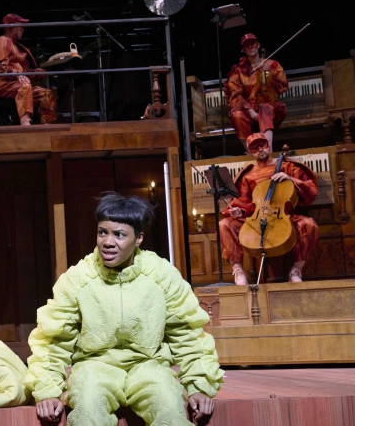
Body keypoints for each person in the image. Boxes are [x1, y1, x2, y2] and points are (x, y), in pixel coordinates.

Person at [23, 192, 224, 426]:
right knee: (88, 409)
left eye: (119, 234)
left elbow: (187, 333)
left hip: (150, 367)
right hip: (94, 368)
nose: (108, 242)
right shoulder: (79, 278)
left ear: (139, 238)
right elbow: (54, 339)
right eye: (102, 232)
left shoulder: (161, 275)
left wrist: (199, 386)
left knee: (169, 408)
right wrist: (47, 391)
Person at [218, 133, 319, 285]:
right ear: (250, 152)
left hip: (285, 216)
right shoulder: (248, 175)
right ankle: (238, 270)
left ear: (269, 146)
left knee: (309, 225)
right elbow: (244, 202)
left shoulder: (289, 167)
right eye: (255, 148)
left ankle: (296, 270)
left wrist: (291, 179)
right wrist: (240, 211)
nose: (260, 149)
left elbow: (311, 190)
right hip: (257, 217)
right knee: (224, 224)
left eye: (262, 145)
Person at [0, 13, 58, 126]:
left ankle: (47, 126)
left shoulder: (18, 46)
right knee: (25, 87)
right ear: (11, 27)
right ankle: (25, 123)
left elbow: (24, 72)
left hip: (17, 85)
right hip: (2, 84)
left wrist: (39, 72)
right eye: (20, 26)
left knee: (46, 94)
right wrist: (17, 75)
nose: (22, 29)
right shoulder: (2, 41)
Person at [224, 33, 289, 151]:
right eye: (246, 45)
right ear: (243, 50)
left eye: (252, 43)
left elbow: (283, 86)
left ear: (258, 45)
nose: (250, 47)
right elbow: (235, 94)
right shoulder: (238, 70)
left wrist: (270, 73)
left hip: (271, 109)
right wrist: (251, 111)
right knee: (237, 115)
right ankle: (252, 152)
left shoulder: (272, 64)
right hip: (249, 110)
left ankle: (267, 150)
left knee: (265, 108)